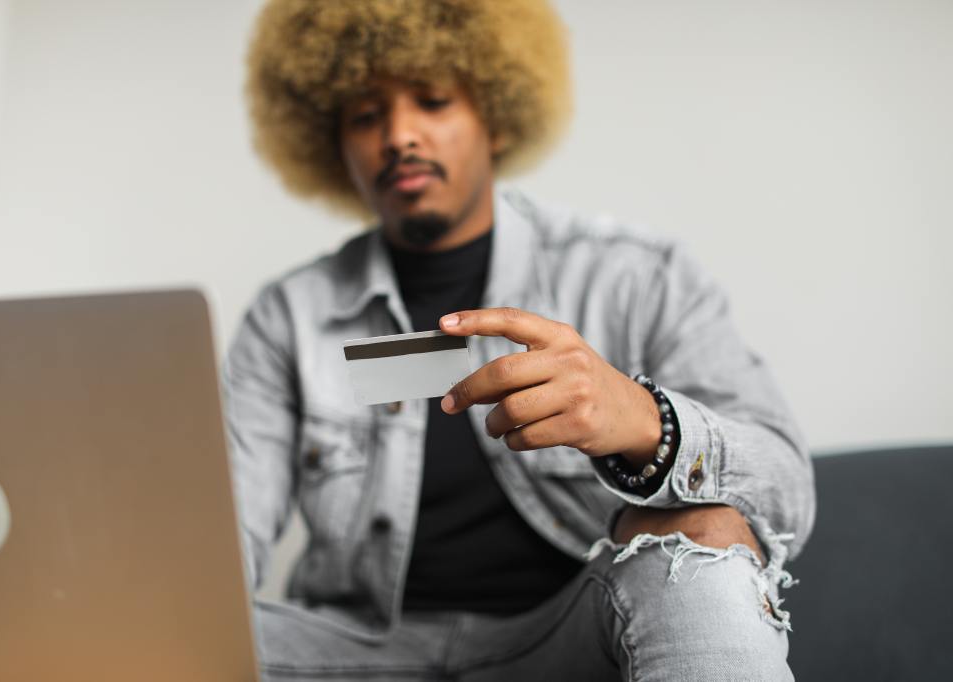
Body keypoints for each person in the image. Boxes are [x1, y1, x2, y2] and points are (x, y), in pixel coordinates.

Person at [225, 1, 815, 679]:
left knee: (707, 540)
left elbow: (785, 492)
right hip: (355, 658)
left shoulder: (633, 277)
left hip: (568, 645)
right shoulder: (288, 317)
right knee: (151, 626)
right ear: (334, 147)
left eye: (433, 100)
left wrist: (644, 423)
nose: (399, 135)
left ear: (497, 116)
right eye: (365, 116)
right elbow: (224, 538)